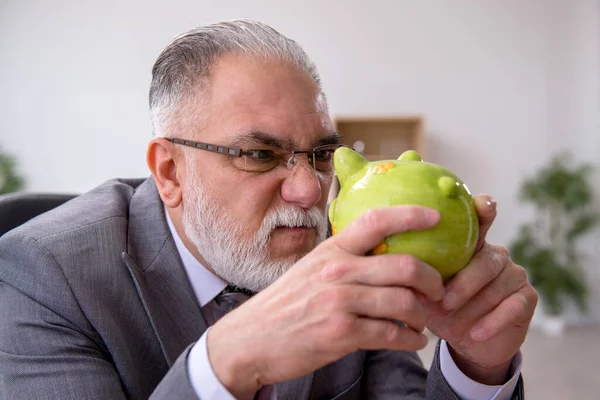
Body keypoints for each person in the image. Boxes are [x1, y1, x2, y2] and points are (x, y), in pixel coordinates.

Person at [0, 19, 537, 400]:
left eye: (322, 154)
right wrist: (225, 365)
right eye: (259, 155)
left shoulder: (349, 247)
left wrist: (478, 365)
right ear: (169, 172)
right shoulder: (43, 275)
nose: (309, 192)